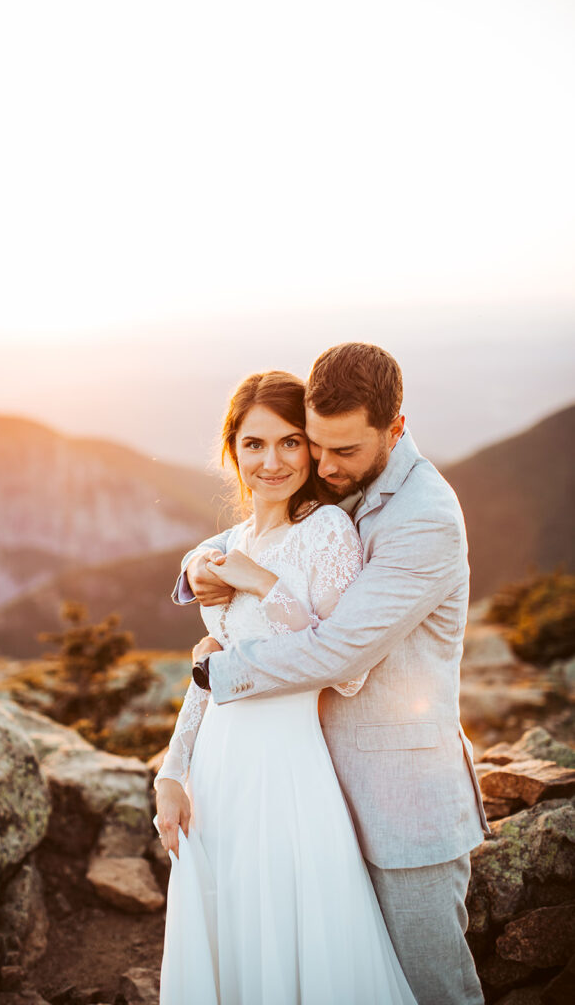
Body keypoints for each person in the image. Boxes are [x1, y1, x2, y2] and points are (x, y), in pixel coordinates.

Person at [168, 343, 490, 1005]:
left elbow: (338, 651)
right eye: (315, 444)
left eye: (340, 451)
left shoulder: (422, 515)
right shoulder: (333, 486)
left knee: (431, 991)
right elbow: (258, 536)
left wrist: (215, 673)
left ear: (395, 428)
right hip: (304, 791)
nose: (321, 464)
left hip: (398, 799)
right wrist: (196, 564)